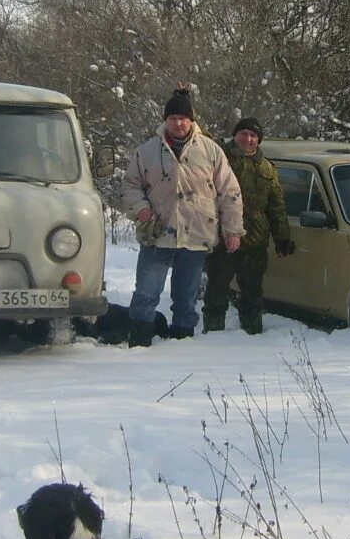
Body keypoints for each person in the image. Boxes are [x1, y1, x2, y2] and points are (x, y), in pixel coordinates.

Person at [121, 88, 245, 347]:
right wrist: (140, 208)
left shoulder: (211, 151)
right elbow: (131, 185)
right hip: (157, 234)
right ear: (165, 120)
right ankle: (139, 341)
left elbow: (229, 192)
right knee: (145, 293)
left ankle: (182, 343)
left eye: (183, 118)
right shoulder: (147, 151)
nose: (179, 123)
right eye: (173, 117)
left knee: (186, 299)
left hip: (196, 235)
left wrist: (233, 231)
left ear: (192, 120)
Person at [202, 117, 295, 335]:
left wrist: (282, 238)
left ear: (259, 140)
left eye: (253, 136)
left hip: (255, 242)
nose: (248, 139)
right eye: (243, 134)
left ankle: (252, 335)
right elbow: (202, 139)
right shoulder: (221, 157)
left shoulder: (267, 168)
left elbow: (276, 207)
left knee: (252, 291)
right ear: (235, 136)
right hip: (223, 239)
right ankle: (212, 335)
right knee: (217, 289)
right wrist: (186, 105)